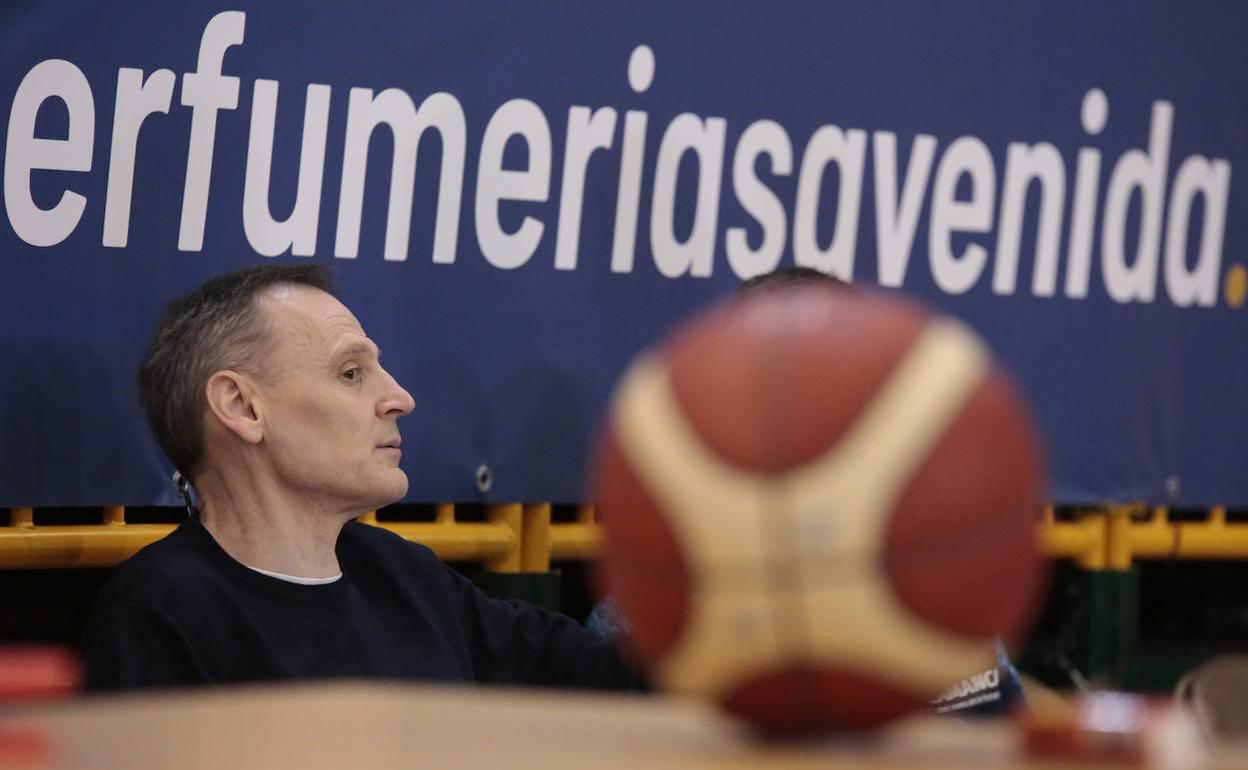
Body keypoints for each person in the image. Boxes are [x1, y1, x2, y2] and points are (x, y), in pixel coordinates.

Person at [81, 264, 641, 692]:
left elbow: (616, 679)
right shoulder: (156, 616)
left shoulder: (406, 576)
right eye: (351, 373)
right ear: (242, 408)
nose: (400, 397)